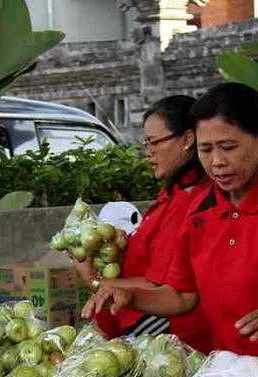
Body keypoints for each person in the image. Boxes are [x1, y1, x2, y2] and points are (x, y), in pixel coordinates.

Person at [85, 83, 258, 356]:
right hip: (227, 369)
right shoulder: (200, 209)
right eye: (206, 150)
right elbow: (182, 296)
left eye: (228, 147)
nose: (217, 161)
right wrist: (130, 296)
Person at [77, 95, 212, 353]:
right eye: (145, 143)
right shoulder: (173, 195)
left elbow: (162, 288)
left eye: (154, 143)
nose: (148, 152)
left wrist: (94, 280)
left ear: (187, 140)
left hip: (166, 336)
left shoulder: (190, 202)